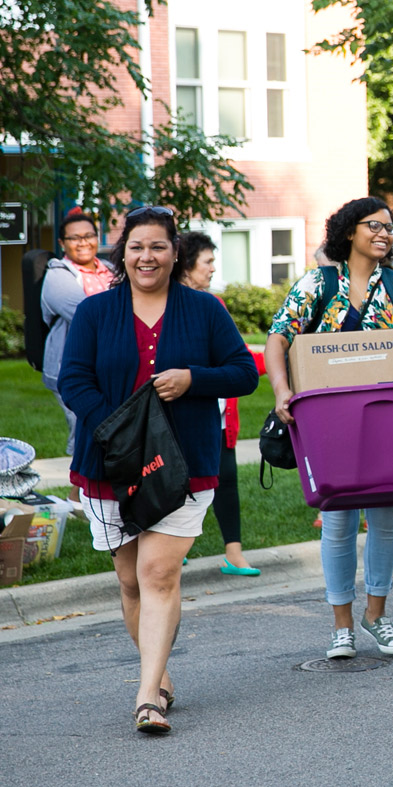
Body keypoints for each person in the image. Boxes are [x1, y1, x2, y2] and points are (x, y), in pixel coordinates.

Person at [57, 206, 258, 733]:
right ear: (123, 254)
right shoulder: (96, 312)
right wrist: (122, 427)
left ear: (176, 253)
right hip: (108, 464)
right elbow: (74, 381)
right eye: (137, 247)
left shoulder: (206, 310)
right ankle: (160, 670)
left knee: (158, 573)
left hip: (183, 465)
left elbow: (242, 373)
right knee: (129, 581)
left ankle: (147, 696)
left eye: (159, 247)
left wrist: (193, 379)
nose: (147, 256)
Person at [266, 198, 393, 661]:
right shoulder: (318, 282)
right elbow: (278, 338)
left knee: (388, 517)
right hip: (331, 415)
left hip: (389, 411)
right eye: (375, 225)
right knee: (339, 518)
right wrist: (282, 391)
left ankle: (377, 616)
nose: (385, 233)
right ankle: (341, 626)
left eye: (390, 228)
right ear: (349, 231)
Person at [174, 231, 259, 576]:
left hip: (220, 412)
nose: (212, 269)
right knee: (174, 479)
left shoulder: (215, 304)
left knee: (227, 478)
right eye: (207, 262)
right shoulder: (169, 304)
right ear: (187, 264)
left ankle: (234, 554)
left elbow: (233, 357)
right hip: (181, 412)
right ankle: (172, 545)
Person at [40, 208, 116, 458]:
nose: (83, 242)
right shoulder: (57, 275)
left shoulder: (110, 270)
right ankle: (79, 492)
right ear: (62, 243)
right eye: (74, 238)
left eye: (89, 235)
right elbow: (86, 316)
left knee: (113, 430)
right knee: (85, 430)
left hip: (110, 365)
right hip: (74, 369)